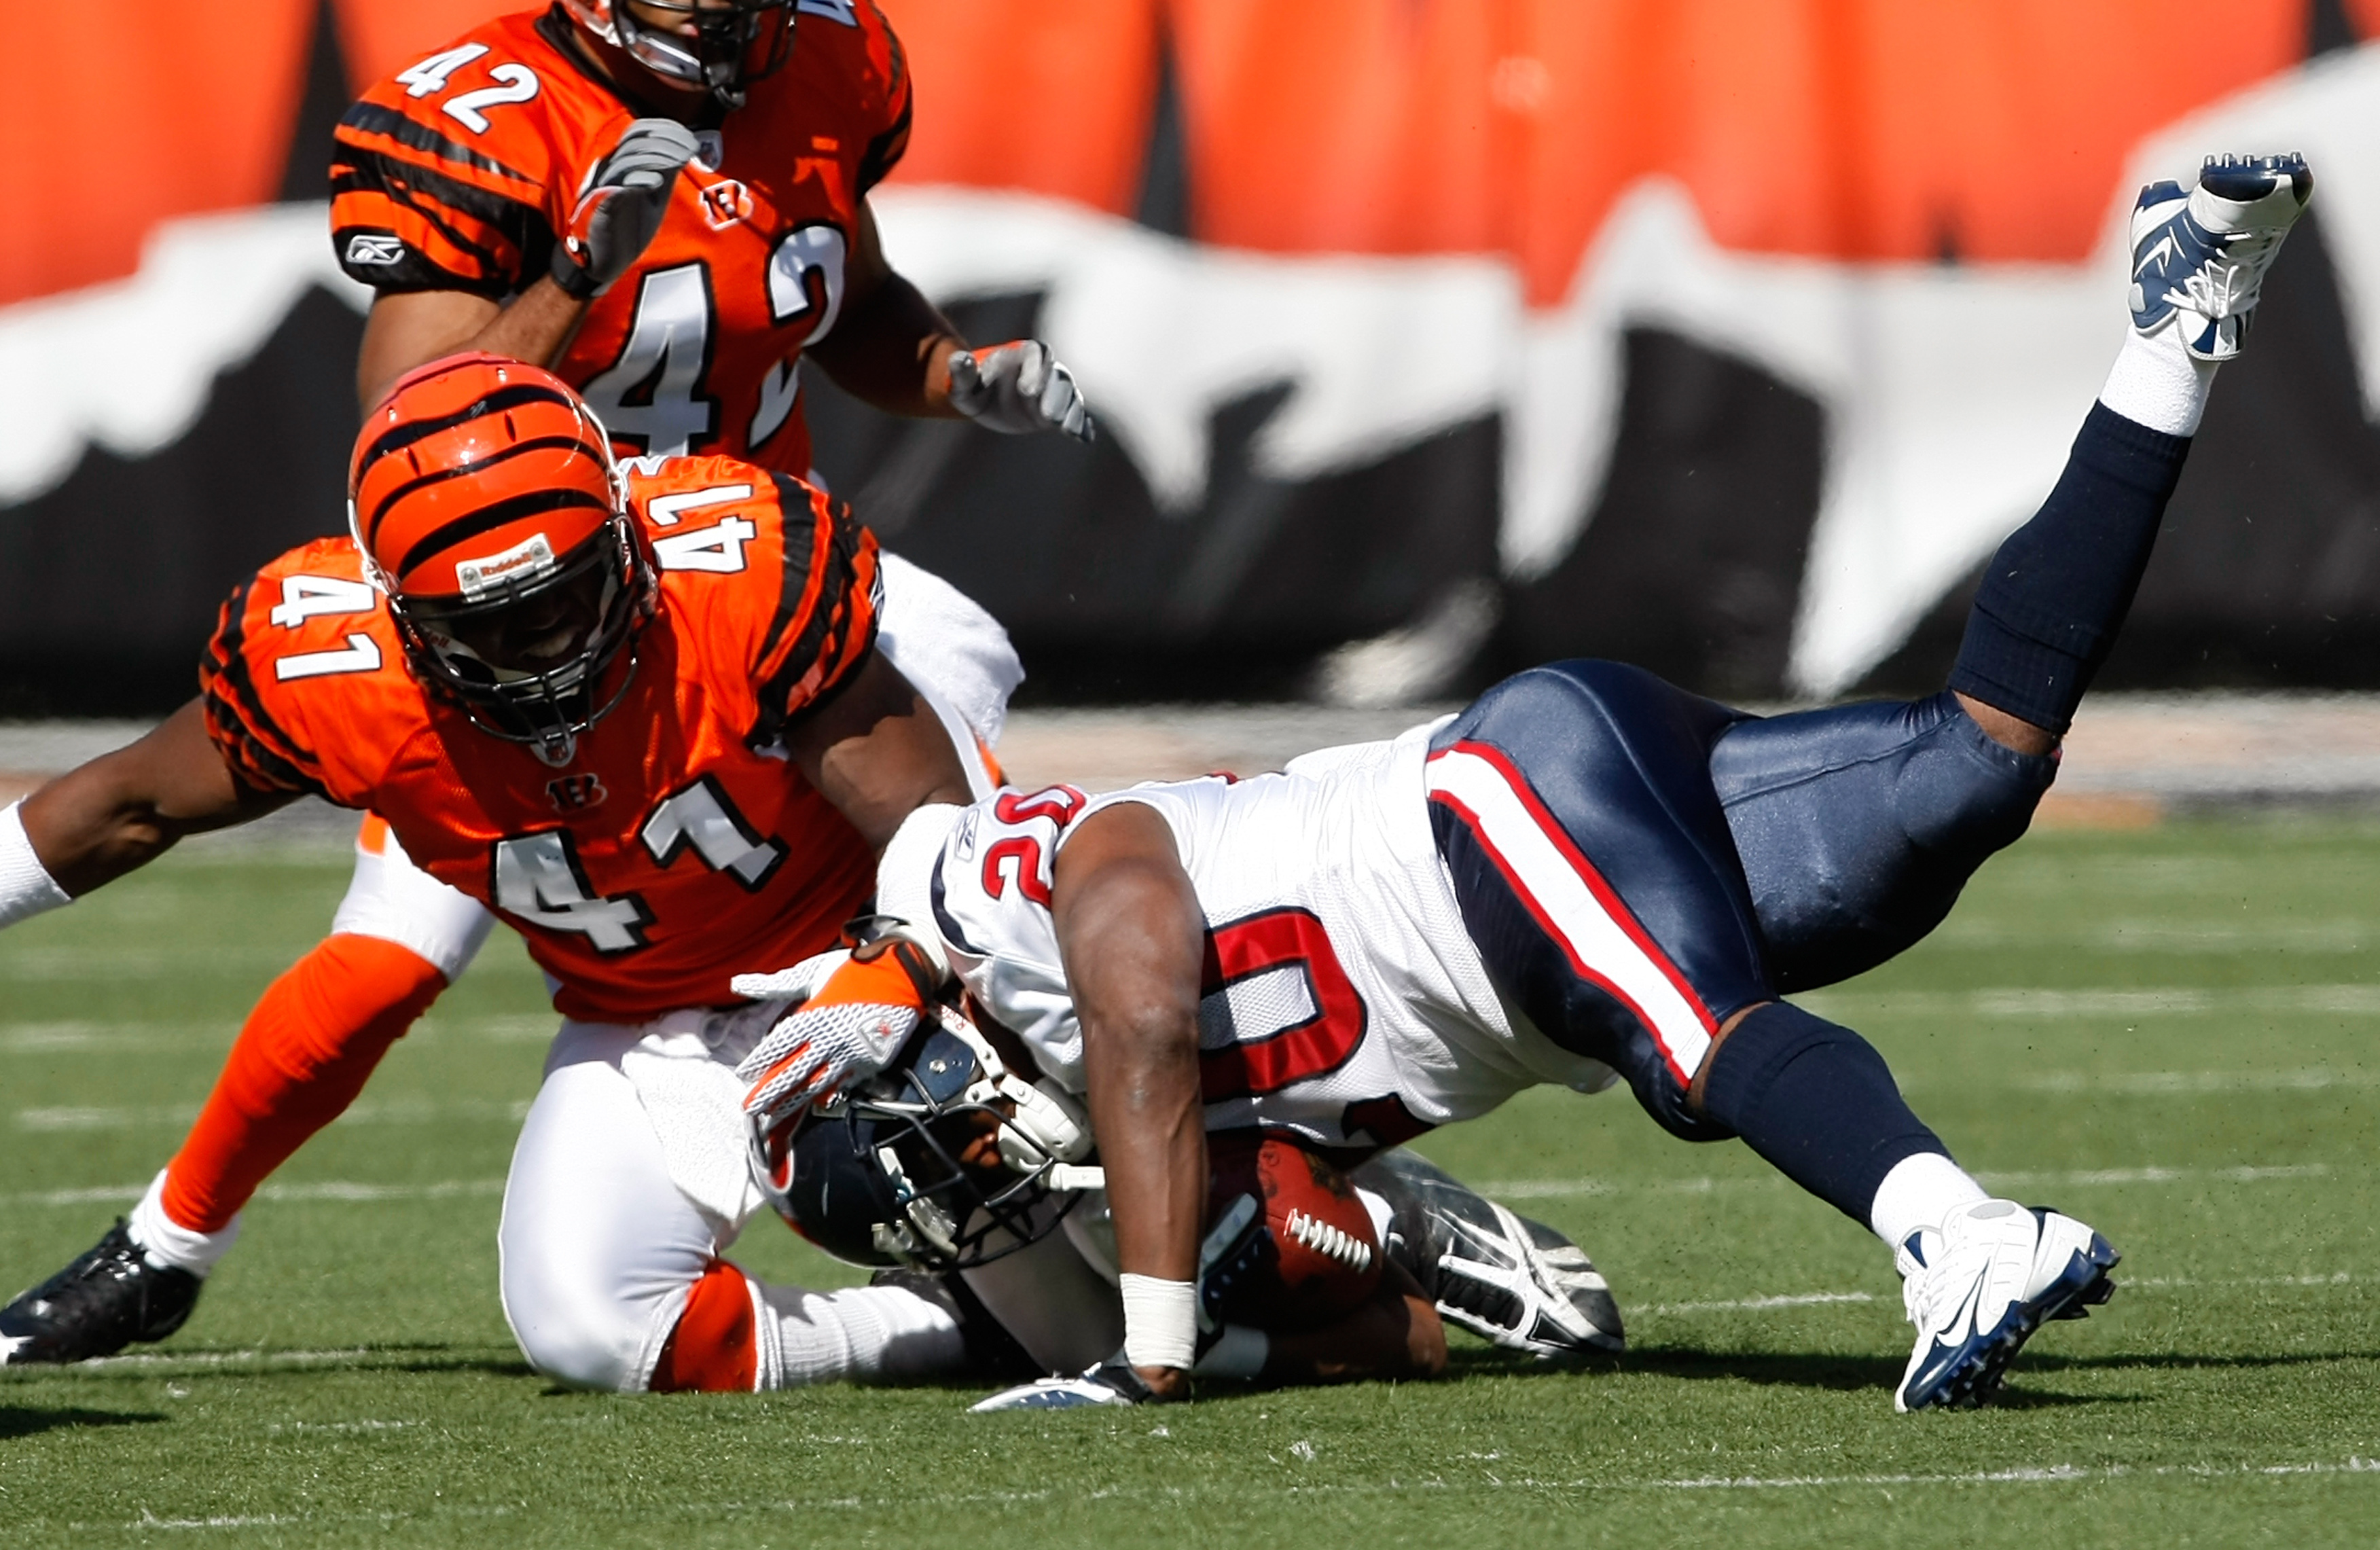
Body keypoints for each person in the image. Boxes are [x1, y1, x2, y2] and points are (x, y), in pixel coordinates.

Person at [734, 155, 2318, 1412]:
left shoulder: (969, 903)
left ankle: (1960, 1239)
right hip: (1542, 897)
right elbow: (1393, 1333)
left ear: (915, 1065)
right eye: (951, 1209)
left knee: (1692, 1038)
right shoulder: (1104, 1168)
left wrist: (1151, 1348)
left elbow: (1136, 965)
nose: (975, 1186)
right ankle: (2177, 331)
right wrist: (1266, 1309)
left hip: (1486, 814)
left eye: (937, 1167)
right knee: (1974, 773)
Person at [0, 355, 1613, 1392]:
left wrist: (889, 989)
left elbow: (941, 845)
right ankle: (961, 1327)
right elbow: (113, 810)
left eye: (566, 597)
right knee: (583, 1323)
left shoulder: (739, 576)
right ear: (400, 617)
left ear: (628, 537)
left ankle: (1350, 1221)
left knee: (1101, 1306)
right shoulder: (322, 661)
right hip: (640, 1012)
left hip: (866, 962)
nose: (547, 646)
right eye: (492, 626)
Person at [0, 0, 1098, 1363]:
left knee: (990, 900)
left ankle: (1227, 1177)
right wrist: (580, 272)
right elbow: (414, 424)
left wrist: (946, 374)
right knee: (392, 950)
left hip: (722, 583)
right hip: (498, 610)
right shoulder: (484, 120)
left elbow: (857, 304)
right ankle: (164, 1246)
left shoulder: (832, 59)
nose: (725, 14)